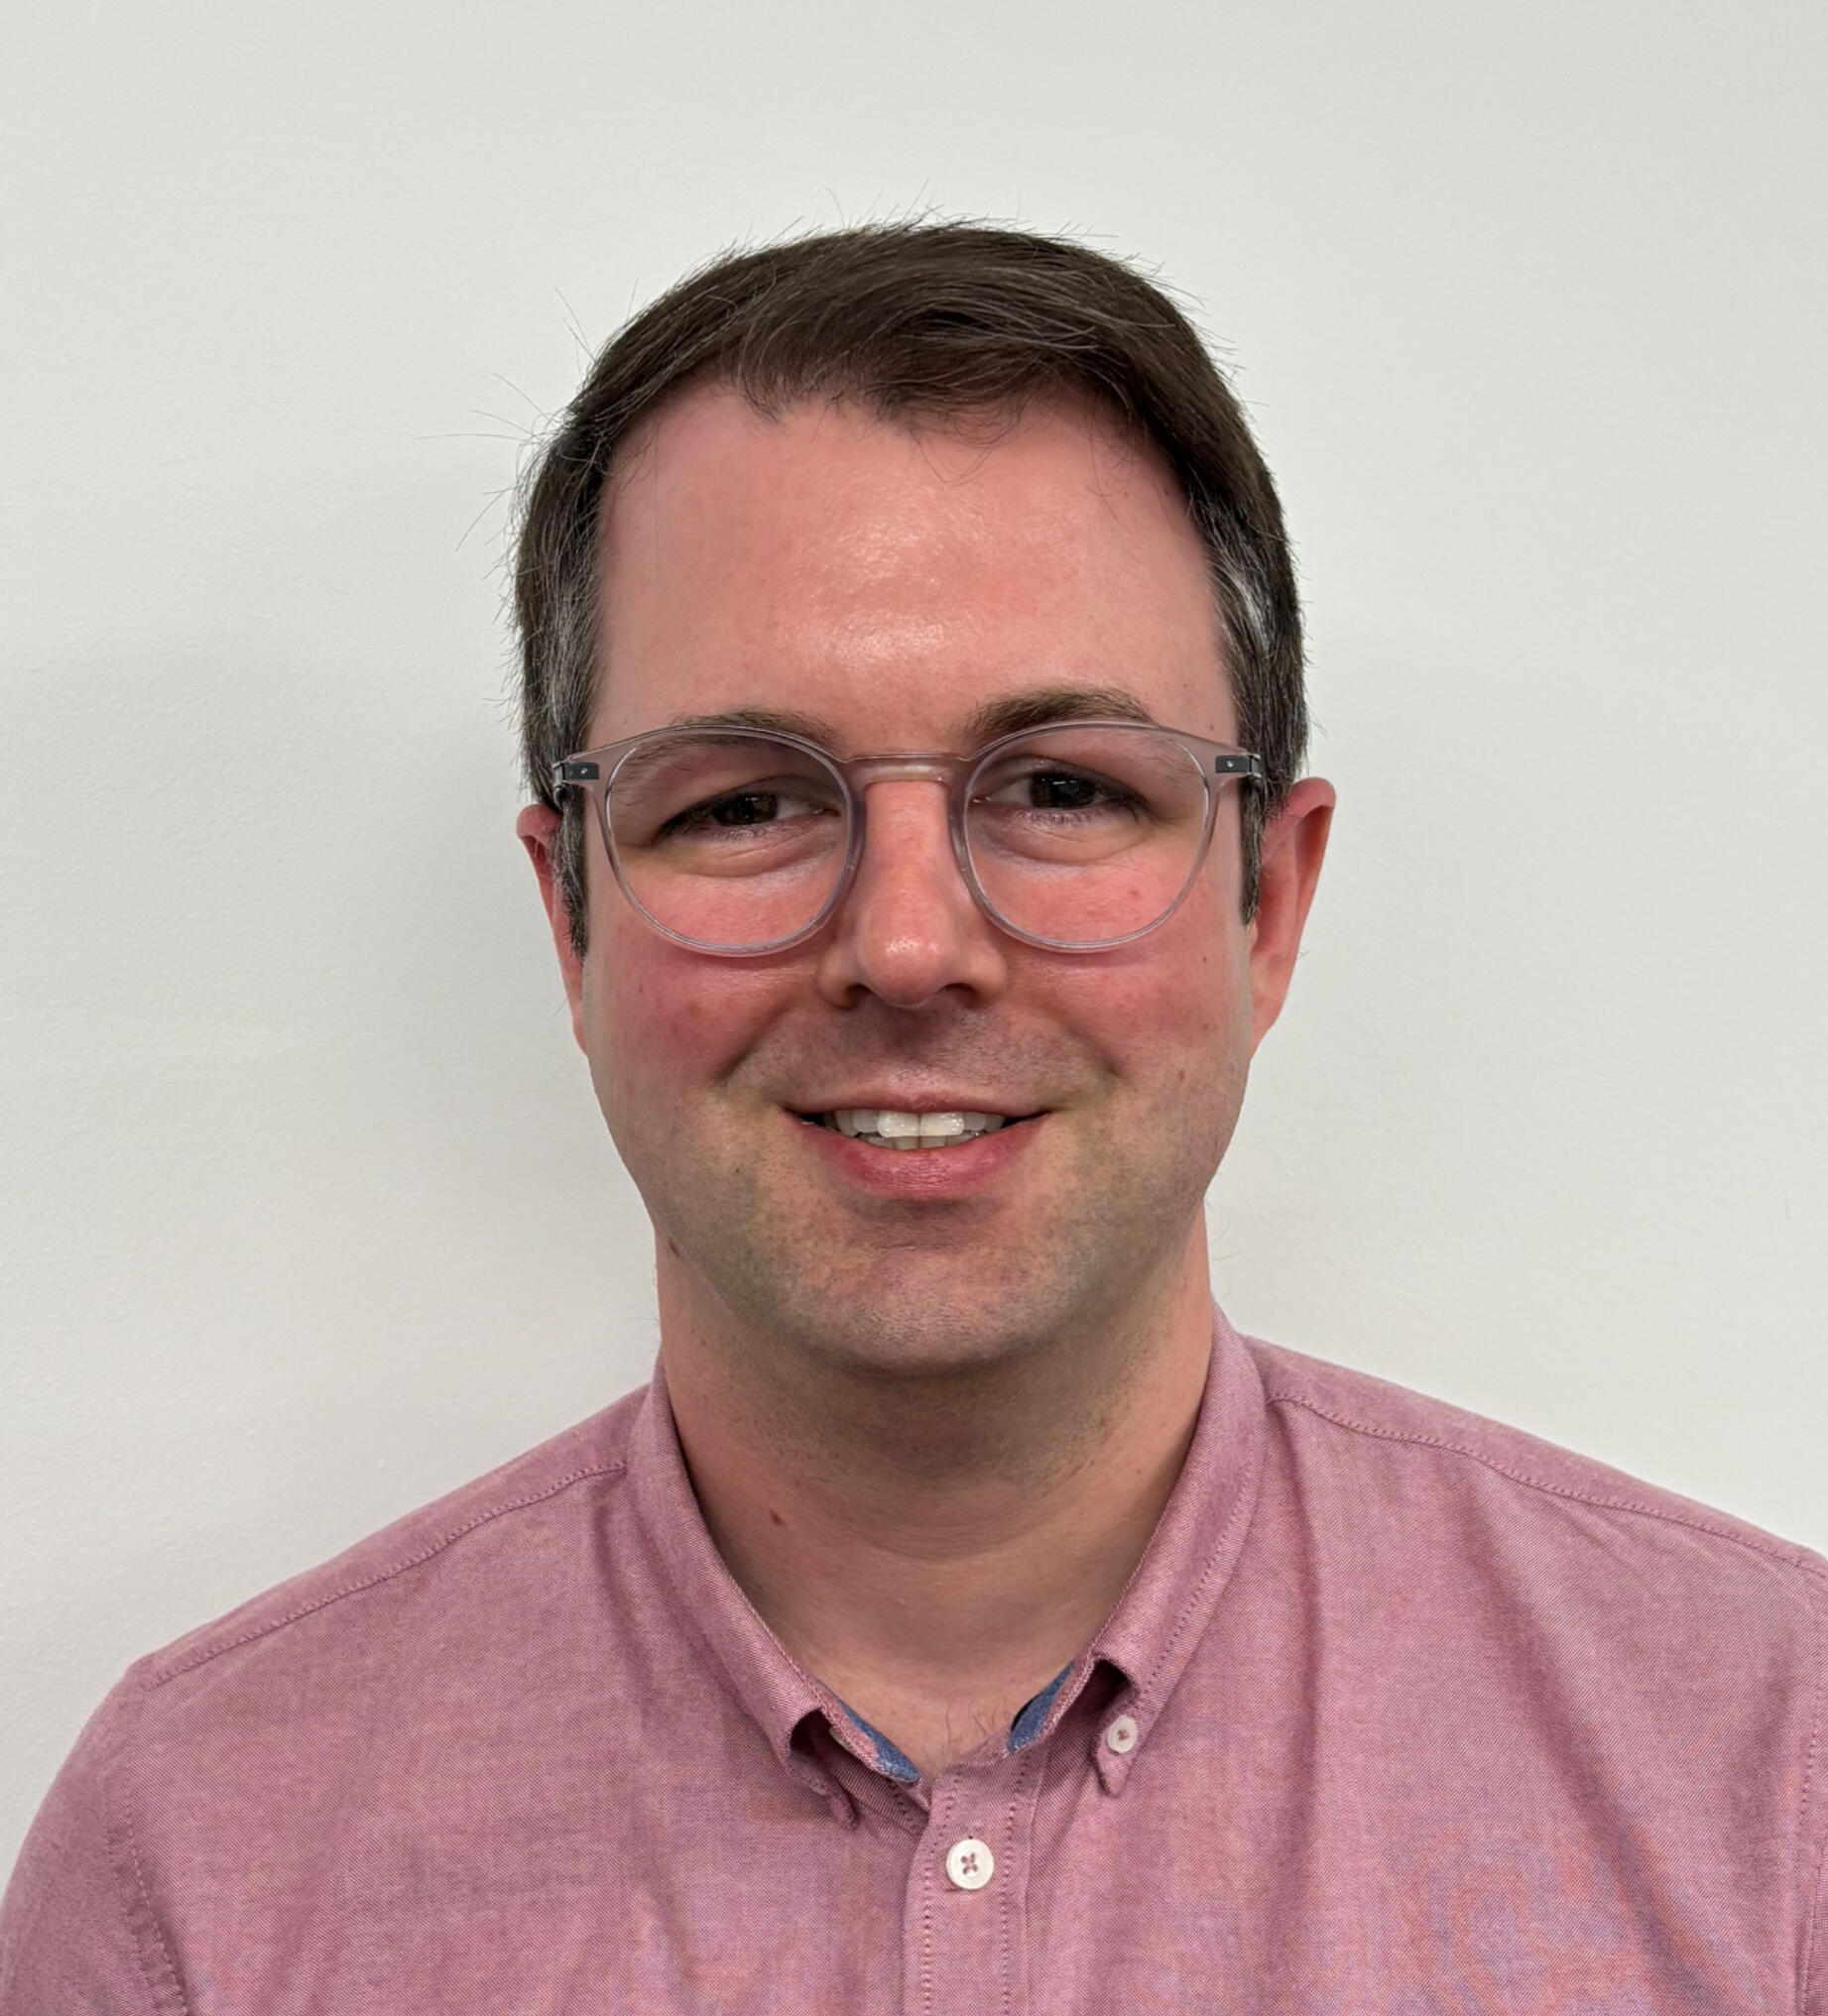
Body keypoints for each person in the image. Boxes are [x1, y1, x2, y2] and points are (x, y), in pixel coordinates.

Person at [3, 220, 1823, 2014]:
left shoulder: (1776, 1783)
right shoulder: (201, 1871)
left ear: (1268, 900)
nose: (905, 944)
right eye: (742, 804)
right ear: (569, 917)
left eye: (1061, 787)